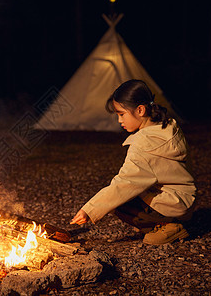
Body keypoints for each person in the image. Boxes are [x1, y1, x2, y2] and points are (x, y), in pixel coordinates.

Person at [70, 79, 196, 245]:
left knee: (120, 202)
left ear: (140, 110)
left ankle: (169, 227)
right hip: (185, 198)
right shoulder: (168, 126)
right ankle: (169, 221)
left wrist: (89, 210)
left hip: (173, 204)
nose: (119, 121)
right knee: (125, 194)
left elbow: (124, 184)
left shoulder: (144, 144)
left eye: (121, 114)